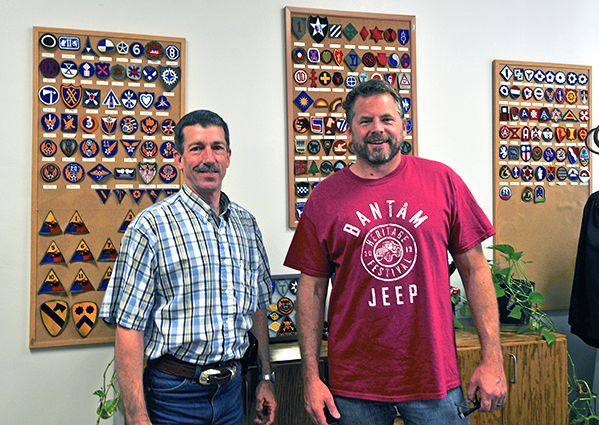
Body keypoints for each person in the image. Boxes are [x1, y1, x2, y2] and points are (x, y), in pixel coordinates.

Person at [284, 80, 507, 425]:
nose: (377, 129)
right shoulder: (324, 198)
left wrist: (493, 358)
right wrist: (311, 377)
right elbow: (311, 288)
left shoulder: (442, 181)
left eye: (387, 119)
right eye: (365, 121)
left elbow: (475, 269)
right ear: (349, 131)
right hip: (354, 386)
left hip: (434, 378)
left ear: (403, 126)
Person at [100, 109, 277, 425]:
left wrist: (265, 376)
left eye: (217, 147)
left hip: (231, 394)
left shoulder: (247, 225)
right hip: (173, 396)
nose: (209, 158)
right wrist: (136, 415)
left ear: (228, 156)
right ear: (179, 159)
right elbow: (128, 328)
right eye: (197, 148)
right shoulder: (150, 227)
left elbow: (258, 307)